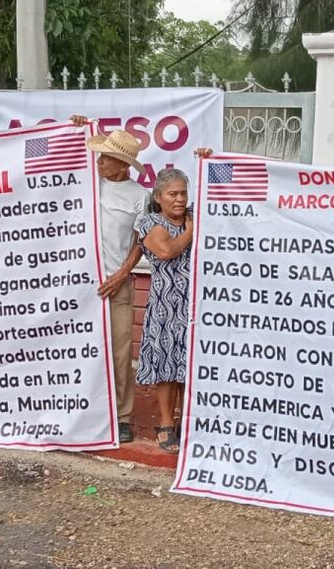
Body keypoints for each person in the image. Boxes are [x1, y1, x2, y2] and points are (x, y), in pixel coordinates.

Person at [86, 127, 149, 444]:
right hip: (81, 283)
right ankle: (87, 408)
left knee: (120, 352)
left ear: (122, 165)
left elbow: (140, 242)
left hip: (118, 283)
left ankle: (122, 416)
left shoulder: (140, 196)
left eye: (106, 158)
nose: (99, 162)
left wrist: (123, 273)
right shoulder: (87, 182)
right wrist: (75, 126)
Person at [135, 168, 194, 454]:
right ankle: (166, 423)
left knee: (188, 364)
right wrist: (192, 230)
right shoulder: (150, 222)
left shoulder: (194, 213)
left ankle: (186, 420)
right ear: (159, 198)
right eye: (173, 194)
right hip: (165, 305)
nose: (180, 199)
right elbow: (167, 251)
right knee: (166, 367)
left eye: (183, 193)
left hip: (194, 303)